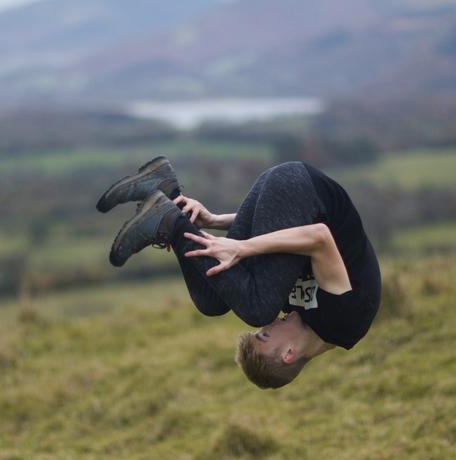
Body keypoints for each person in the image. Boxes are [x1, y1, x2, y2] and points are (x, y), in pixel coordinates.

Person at [96, 157, 380, 388]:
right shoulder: (345, 320)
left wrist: (215, 221)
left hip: (286, 194)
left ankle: (171, 201)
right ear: (289, 354)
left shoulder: (295, 313)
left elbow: (281, 230)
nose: (269, 326)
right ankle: (168, 220)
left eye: (261, 332)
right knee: (258, 308)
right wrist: (243, 246)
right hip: (300, 189)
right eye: (265, 336)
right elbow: (319, 237)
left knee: (214, 302)